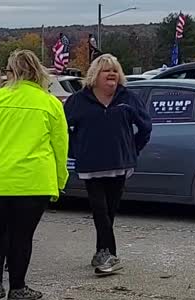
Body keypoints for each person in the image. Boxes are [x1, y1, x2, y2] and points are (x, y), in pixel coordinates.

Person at [0, 50, 69, 300]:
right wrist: (59, 180)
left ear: (10, 72)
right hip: (32, 181)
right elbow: (60, 145)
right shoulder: (50, 104)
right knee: (21, 235)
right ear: (38, 71)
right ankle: (18, 287)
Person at [64, 54, 151, 275]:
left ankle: (101, 251)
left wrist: (133, 149)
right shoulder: (78, 100)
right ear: (95, 75)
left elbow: (145, 127)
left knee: (109, 211)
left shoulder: (128, 98)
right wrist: (76, 149)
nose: (111, 74)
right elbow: (63, 129)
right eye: (106, 70)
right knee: (99, 210)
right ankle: (110, 255)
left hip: (120, 163)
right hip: (91, 166)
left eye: (115, 70)